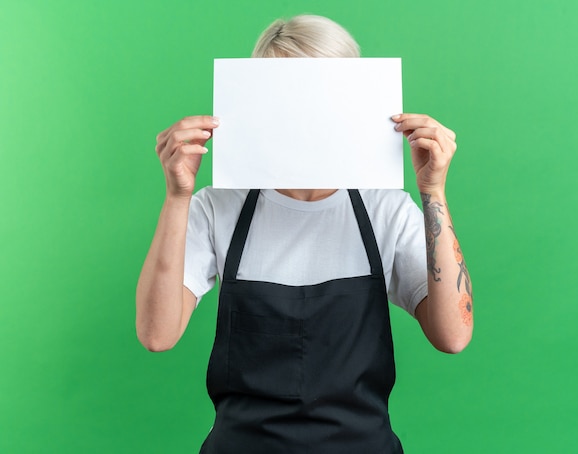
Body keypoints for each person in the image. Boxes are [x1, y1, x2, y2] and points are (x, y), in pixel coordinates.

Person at [136, 14, 473, 454]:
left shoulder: (385, 209)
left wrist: (433, 192)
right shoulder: (218, 206)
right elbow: (157, 335)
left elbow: (453, 336)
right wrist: (177, 196)